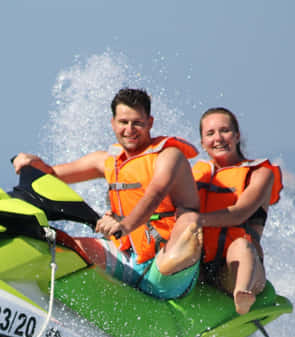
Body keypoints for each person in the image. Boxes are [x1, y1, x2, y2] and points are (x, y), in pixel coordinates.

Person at [12, 88, 203, 300]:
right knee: (61, 250)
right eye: (123, 122)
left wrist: (123, 225)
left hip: (165, 261)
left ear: (150, 122)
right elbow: (51, 174)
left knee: (190, 222)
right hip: (127, 255)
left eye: (137, 123)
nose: (129, 129)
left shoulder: (169, 156)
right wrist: (30, 161)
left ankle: (163, 284)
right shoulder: (106, 161)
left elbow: (154, 194)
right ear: (113, 123)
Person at [190, 107, 283, 315]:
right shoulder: (196, 174)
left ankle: (242, 296)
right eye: (210, 133)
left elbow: (240, 213)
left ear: (237, 135)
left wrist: (196, 219)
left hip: (237, 271)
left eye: (225, 131)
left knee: (240, 245)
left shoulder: (260, 173)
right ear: (202, 143)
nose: (218, 138)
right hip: (200, 269)